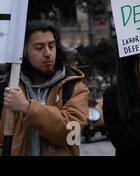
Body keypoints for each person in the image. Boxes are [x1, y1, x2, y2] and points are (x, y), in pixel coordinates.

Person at [0, 20, 89, 156]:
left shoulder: (74, 87)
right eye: (39, 48)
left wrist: (27, 108)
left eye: (51, 46)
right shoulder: (8, 89)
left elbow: (72, 133)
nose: (48, 53)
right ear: (24, 51)